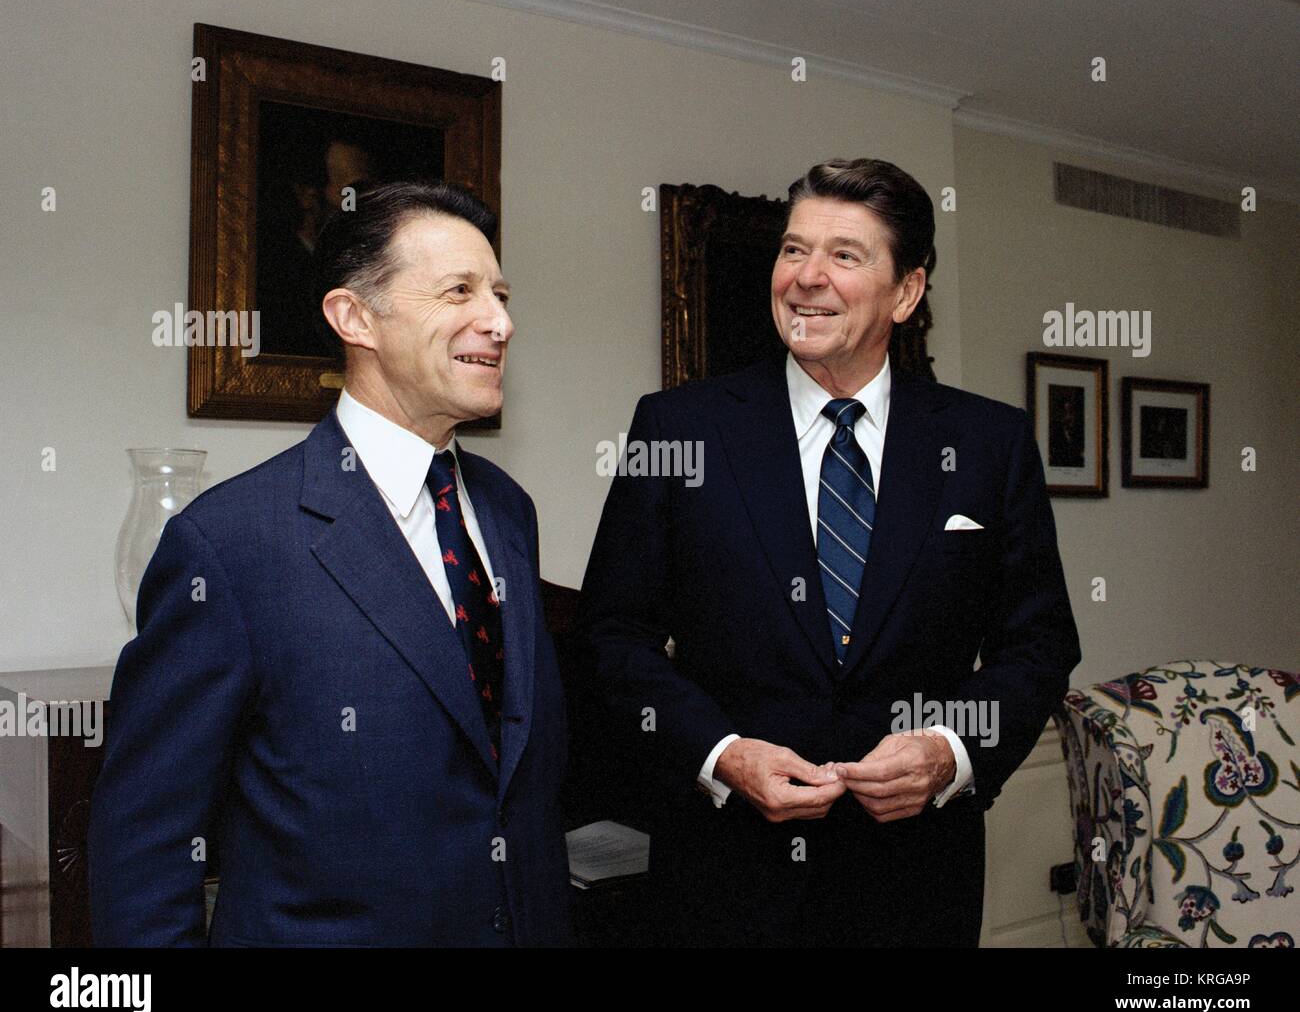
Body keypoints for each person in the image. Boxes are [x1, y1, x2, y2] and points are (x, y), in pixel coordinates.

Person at [578, 158, 1081, 947]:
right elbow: (614, 633)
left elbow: (1040, 642)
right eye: (792, 249)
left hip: (915, 885)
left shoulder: (989, 443)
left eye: (844, 255)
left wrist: (950, 751)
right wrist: (722, 753)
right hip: (725, 884)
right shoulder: (678, 429)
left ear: (906, 292)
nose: (806, 277)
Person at [89, 180, 571, 947]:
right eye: (460, 291)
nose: (501, 321)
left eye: (502, 294)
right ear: (354, 317)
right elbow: (144, 846)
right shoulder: (230, 544)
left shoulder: (509, 510)